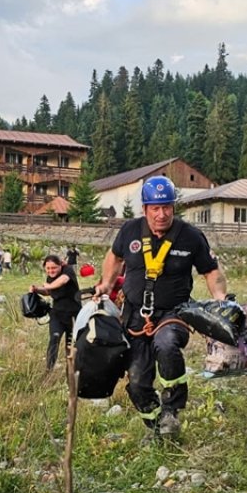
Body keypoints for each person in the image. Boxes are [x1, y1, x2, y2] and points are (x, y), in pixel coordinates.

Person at [93, 176, 228, 441]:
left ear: (173, 208)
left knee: (166, 345)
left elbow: (210, 271)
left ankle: (172, 410)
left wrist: (221, 298)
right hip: (133, 315)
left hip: (174, 312)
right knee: (137, 381)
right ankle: (156, 428)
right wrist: (107, 284)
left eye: (167, 207)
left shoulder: (190, 236)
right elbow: (115, 256)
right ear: (145, 209)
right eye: (155, 208)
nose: (161, 214)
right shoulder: (130, 231)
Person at [31, 254, 81, 371]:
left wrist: (49, 285)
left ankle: (72, 370)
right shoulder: (50, 278)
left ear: (60, 266)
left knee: (71, 345)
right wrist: (36, 289)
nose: (51, 271)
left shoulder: (68, 271)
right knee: (54, 339)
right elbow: (48, 292)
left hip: (73, 315)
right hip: (57, 314)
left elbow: (62, 281)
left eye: (54, 268)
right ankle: (49, 369)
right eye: (48, 268)